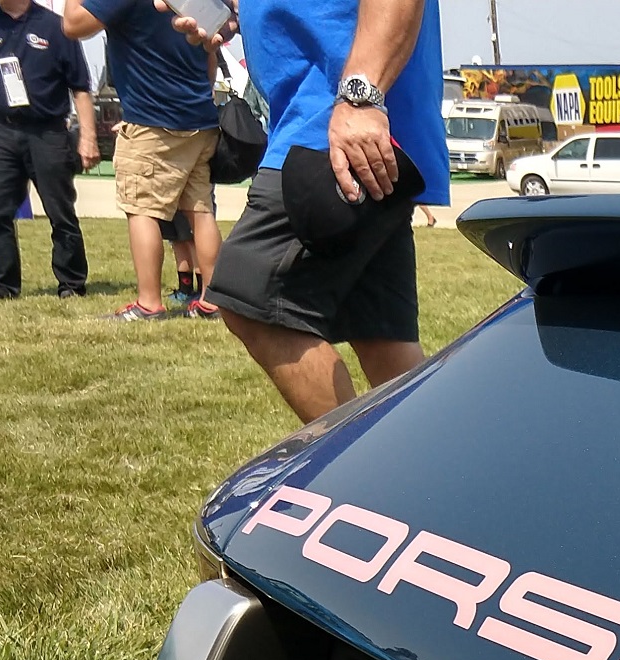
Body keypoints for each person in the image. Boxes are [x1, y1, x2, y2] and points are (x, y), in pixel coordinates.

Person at [165, 0, 449, 420]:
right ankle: (442, 478)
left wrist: (360, 97)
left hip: (332, 127)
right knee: (379, 333)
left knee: (248, 293)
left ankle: (358, 474)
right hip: (343, 124)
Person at [61, 0, 222, 320]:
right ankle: (213, 299)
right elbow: (210, 60)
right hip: (200, 117)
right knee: (200, 210)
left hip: (153, 121)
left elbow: (72, 25)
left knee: (141, 209)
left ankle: (148, 303)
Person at [0, 0, 99, 300]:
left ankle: (71, 284)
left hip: (48, 131)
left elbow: (79, 87)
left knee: (60, 211)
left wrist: (88, 138)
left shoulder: (57, 27)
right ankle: (4, 284)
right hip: (0, 129)